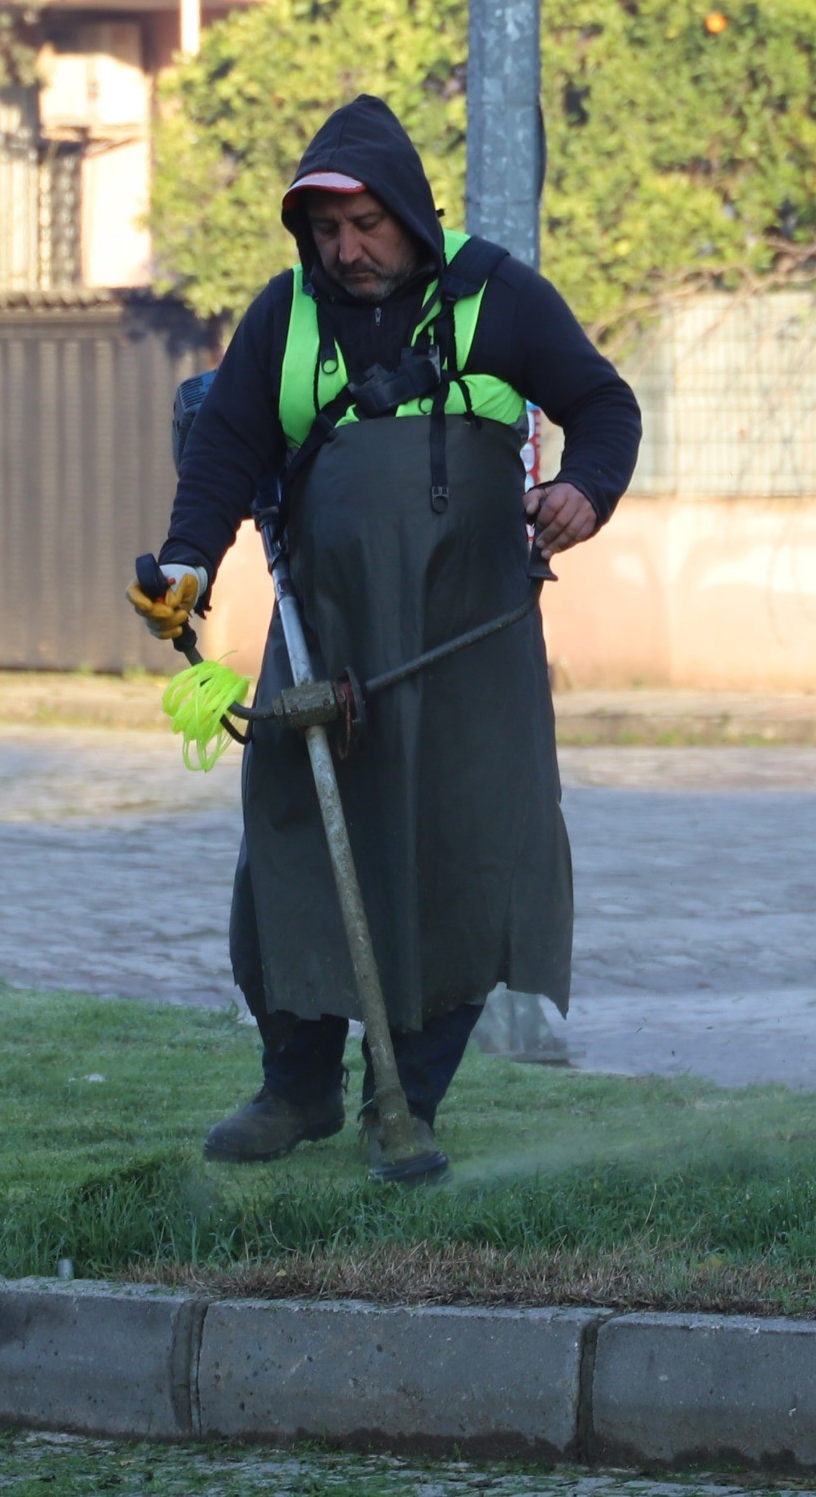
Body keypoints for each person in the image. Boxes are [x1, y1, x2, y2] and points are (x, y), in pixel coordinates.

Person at [129, 94, 641, 1166]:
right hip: (327, 634)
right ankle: (296, 1087)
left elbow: (605, 406)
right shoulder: (285, 315)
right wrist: (186, 563)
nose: (347, 250)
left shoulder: (497, 296)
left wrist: (586, 489)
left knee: (463, 856)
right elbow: (225, 447)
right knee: (294, 844)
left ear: (408, 211)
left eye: (366, 225)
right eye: (326, 231)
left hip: (470, 645)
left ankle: (402, 1101)